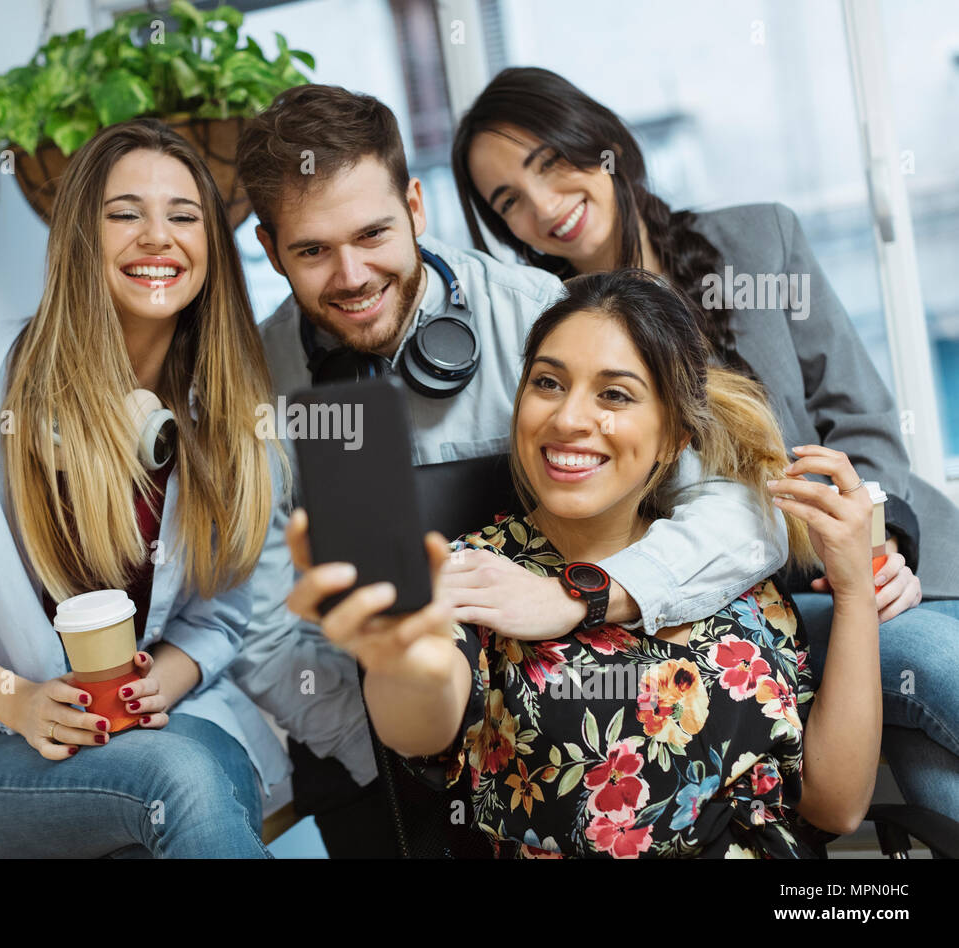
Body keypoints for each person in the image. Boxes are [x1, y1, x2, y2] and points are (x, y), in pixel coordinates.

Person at [230, 84, 797, 857]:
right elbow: (258, 626)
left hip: (563, 712)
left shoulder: (539, 311)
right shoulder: (249, 387)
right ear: (268, 251)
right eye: (312, 251)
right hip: (366, 737)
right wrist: (411, 753)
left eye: (373, 234)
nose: (353, 275)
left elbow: (741, 515)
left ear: (417, 207)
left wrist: (582, 597)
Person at [450, 65, 959, 819]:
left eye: (550, 165)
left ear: (604, 146)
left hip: (894, 571)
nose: (544, 208)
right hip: (752, 609)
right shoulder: (558, 336)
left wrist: (882, 555)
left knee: (934, 778)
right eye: (509, 203)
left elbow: (863, 426)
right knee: (925, 670)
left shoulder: (759, 238)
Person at [286, 269, 882, 857]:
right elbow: (420, 722)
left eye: (615, 394)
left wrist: (854, 593)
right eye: (547, 383)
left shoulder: (723, 556)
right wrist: (397, 659)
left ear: (674, 436)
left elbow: (835, 806)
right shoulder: (475, 571)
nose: (568, 418)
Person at [0, 119, 290, 858]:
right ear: (80, 235)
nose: (157, 236)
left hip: (160, 732)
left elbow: (221, 617)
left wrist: (163, 685)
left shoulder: (230, 420)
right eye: (124, 214)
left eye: (184, 215)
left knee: (199, 770)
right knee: (189, 777)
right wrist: (15, 700)